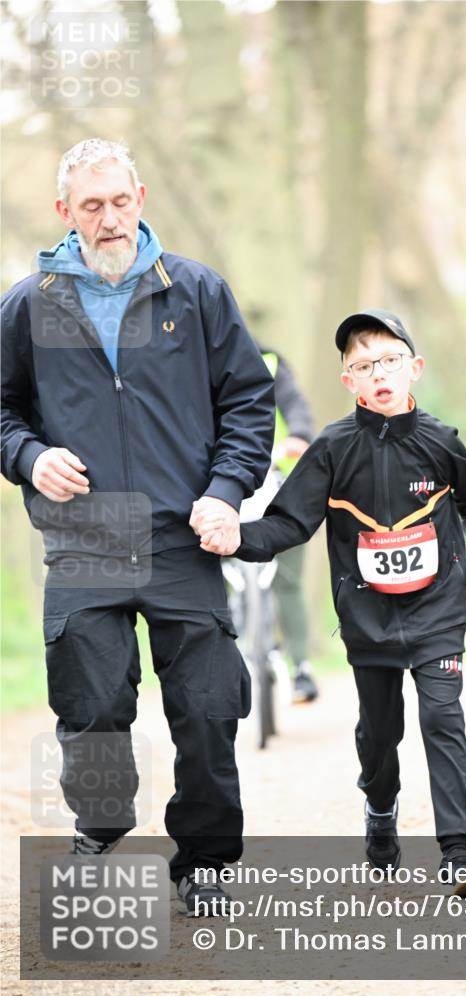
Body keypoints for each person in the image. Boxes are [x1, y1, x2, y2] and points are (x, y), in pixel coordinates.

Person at [0, 138, 275, 916]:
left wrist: (225, 491)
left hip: (183, 534)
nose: (109, 217)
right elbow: (3, 410)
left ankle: (207, 862)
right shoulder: (29, 305)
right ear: (65, 212)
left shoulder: (195, 291)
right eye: (91, 205)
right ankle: (101, 821)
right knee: (89, 705)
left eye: (120, 201)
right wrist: (29, 456)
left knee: (208, 708)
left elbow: (248, 403)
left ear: (141, 198)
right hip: (84, 538)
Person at [195, 308, 466, 895]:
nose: (378, 374)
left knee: (442, 717)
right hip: (369, 617)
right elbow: (290, 521)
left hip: (437, 609)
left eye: (389, 361)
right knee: (380, 735)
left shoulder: (441, 440)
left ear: (414, 368)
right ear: (348, 381)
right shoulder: (334, 447)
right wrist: (238, 537)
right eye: (363, 366)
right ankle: (380, 809)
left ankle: (458, 852)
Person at [259, 347, 318, 703]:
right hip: (223, 489)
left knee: (287, 579)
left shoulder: (269, 362)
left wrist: (299, 434)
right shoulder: (194, 361)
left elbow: (295, 404)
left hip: (280, 481)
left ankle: (301, 669)